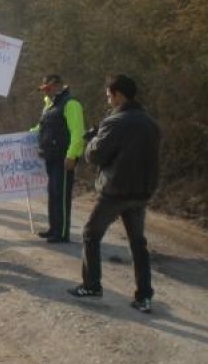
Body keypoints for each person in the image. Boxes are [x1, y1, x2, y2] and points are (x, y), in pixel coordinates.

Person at [67, 74, 161, 313]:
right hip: (141, 191)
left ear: (119, 94)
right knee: (138, 244)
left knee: (90, 234)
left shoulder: (115, 121)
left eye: (109, 95)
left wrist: (92, 140)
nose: (108, 99)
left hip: (115, 191)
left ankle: (91, 285)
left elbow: (95, 155)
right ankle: (144, 296)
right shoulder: (150, 122)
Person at [36, 74, 85, 243]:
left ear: (58, 85)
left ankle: (62, 232)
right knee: (53, 192)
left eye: (48, 89)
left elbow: (78, 133)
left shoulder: (71, 104)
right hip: (51, 156)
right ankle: (53, 228)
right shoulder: (50, 105)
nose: (46, 93)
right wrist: (27, 135)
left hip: (64, 157)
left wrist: (72, 156)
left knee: (61, 194)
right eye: (44, 90)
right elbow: (42, 127)